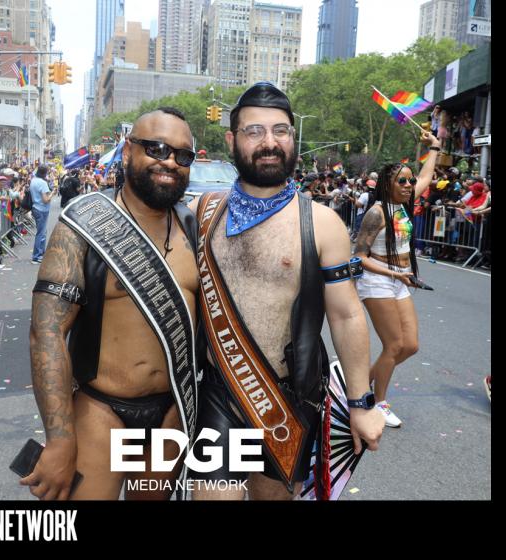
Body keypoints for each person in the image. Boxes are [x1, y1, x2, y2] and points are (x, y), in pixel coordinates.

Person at [188, 82, 384, 501]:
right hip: (219, 394)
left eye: (281, 131)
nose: (270, 142)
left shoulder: (323, 223)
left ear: (293, 139)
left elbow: (347, 315)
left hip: (289, 399)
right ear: (232, 140)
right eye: (254, 131)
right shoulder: (201, 212)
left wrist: (361, 403)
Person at [25, 107, 200, 500]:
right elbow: (46, 333)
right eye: (156, 149)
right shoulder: (83, 223)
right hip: (101, 412)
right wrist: (59, 439)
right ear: (127, 152)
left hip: (171, 412)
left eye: (182, 155)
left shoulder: (193, 225)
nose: (170, 162)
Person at [354, 132, 441, 428]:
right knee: (393, 346)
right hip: (377, 280)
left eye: (409, 181)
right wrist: (395, 274)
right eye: (401, 181)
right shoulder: (376, 213)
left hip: (399, 280)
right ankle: (378, 402)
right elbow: (359, 257)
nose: (408, 185)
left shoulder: (404, 204)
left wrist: (434, 147)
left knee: (410, 345)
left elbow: (426, 176)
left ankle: (358, 385)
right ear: (387, 185)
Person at [29, 164, 57, 264]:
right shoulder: (42, 183)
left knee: (42, 232)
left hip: (36, 207)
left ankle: (40, 254)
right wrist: (53, 193)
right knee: (41, 233)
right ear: (45, 173)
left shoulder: (33, 180)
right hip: (41, 209)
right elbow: (45, 200)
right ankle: (36, 256)